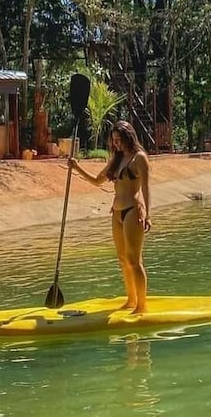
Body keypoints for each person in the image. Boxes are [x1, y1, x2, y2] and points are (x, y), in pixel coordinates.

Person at [69, 121, 152, 313]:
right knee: (123, 259)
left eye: (119, 140)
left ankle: (142, 306)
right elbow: (98, 181)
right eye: (114, 141)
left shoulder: (139, 158)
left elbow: (146, 187)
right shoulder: (117, 157)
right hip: (116, 212)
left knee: (134, 260)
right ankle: (131, 301)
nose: (116, 144)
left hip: (133, 210)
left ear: (128, 137)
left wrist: (148, 213)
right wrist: (76, 167)